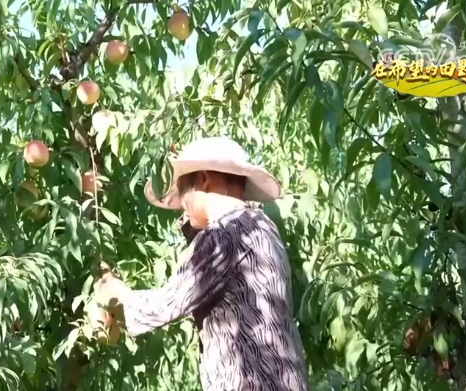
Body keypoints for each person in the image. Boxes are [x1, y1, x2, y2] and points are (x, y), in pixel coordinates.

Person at [93, 137, 308, 391]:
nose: (182, 204)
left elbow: (168, 303)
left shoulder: (223, 234)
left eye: (183, 190)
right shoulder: (261, 226)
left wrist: (116, 293)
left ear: (204, 179)